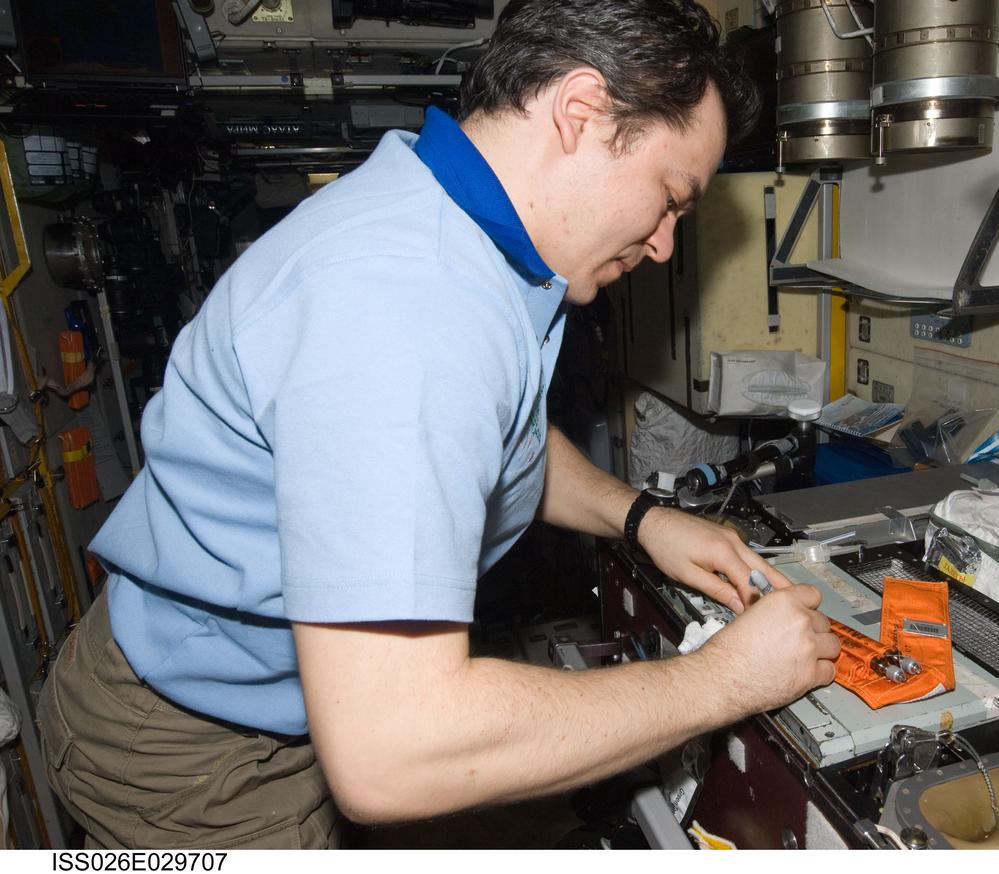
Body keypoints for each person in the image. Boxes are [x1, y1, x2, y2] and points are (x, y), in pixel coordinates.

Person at [37, 0, 840, 849]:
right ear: (580, 113)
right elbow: (396, 752)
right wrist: (724, 681)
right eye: (670, 198)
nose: (666, 245)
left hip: (266, 707)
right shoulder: (410, 308)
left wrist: (640, 516)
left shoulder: (461, 229)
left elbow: (500, 440)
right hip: (190, 755)